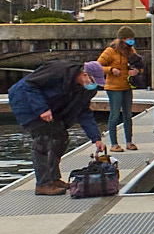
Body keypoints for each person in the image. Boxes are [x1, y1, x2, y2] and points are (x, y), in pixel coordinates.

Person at [8, 60, 106, 195]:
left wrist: (96, 138)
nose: (94, 85)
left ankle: (54, 179)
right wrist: (41, 109)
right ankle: (43, 184)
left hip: (50, 106)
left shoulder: (86, 90)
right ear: (84, 74)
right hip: (25, 100)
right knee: (43, 139)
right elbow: (29, 84)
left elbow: (83, 112)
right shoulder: (58, 70)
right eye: (93, 81)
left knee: (61, 137)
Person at [97, 25, 141, 152]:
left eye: (132, 38)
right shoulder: (110, 51)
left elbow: (139, 64)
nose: (131, 41)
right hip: (113, 87)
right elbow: (97, 66)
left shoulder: (132, 51)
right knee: (115, 114)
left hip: (127, 86)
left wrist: (136, 71)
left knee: (128, 114)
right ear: (121, 39)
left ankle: (129, 141)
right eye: (128, 38)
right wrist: (111, 70)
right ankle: (114, 143)